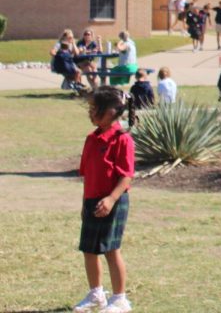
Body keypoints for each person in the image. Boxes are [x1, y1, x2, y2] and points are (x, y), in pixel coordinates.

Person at [73, 86, 135, 313]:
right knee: (89, 249)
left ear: (110, 112)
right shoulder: (91, 139)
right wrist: (84, 202)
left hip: (113, 202)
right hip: (92, 201)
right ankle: (96, 294)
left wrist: (110, 199)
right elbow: (88, 173)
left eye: (94, 108)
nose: (90, 112)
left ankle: (120, 299)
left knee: (111, 250)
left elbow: (126, 176)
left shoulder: (122, 139)